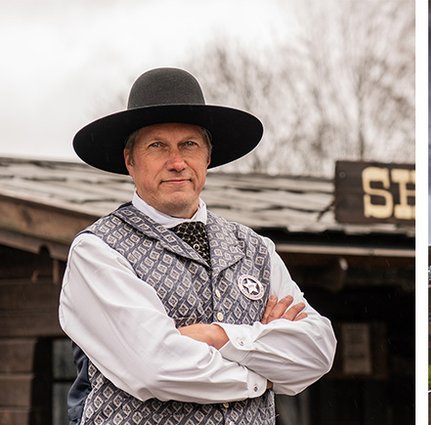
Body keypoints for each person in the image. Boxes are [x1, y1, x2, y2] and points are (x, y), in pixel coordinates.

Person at [59, 67, 337, 425]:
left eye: (189, 144)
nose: (177, 162)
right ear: (130, 160)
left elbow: (317, 351)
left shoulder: (257, 249)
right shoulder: (97, 251)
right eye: (157, 146)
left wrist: (216, 335)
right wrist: (265, 373)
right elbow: (154, 367)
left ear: (207, 156)